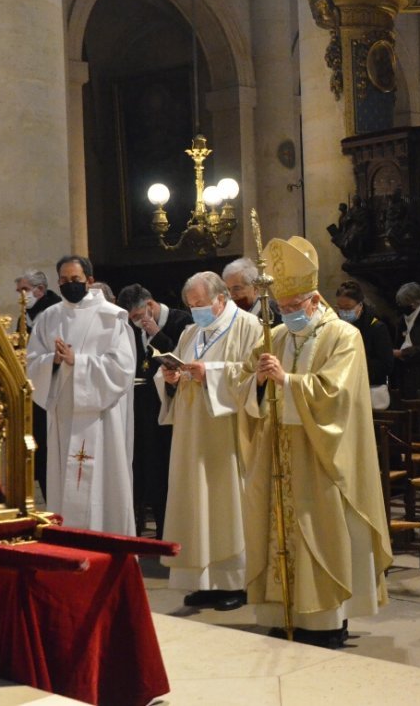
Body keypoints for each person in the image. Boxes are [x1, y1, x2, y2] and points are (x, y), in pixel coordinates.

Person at [233, 236, 392, 648]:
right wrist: (259, 381)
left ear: (314, 299)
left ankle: (325, 619)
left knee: (320, 532)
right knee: (277, 531)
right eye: (281, 309)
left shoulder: (343, 336)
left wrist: (287, 382)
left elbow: (337, 395)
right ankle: (281, 608)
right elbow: (244, 383)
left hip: (322, 452)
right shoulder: (279, 336)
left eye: (293, 307)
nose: (287, 315)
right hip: (279, 449)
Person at [155, 272, 262, 612]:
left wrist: (210, 373)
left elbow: (252, 375)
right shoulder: (190, 331)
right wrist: (170, 377)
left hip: (225, 434)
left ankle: (234, 583)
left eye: (200, 304)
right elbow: (175, 373)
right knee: (193, 504)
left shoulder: (249, 327)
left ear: (220, 298)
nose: (195, 311)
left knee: (224, 504)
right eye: (190, 305)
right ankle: (201, 582)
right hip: (190, 434)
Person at [26, 255, 135, 535]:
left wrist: (79, 361)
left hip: (100, 417)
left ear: (89, 280)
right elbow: (32, 363)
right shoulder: (48, 318)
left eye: (75, 280)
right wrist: (54, 360)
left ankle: (109, 542)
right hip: (64, 413)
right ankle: (68, 543)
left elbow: (122, 368)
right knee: (66, 481)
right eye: (63, 280)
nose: (69, 284)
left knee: (103, 484)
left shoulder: (112, 317)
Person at [117, 283, 192, 538]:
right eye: (132, 319)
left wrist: (156, 333)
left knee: (169, 470)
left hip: (172, 408)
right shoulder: (132, 329)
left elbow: (183, 358)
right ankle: (158, 531)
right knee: (150, 471)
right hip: (144, 409)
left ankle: (174, 532)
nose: (136, 322)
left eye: (138, 316)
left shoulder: (182, 321)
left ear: (150, 306)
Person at [15, 269, 62, 498]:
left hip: (53, 389)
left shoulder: (56, 312)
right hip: (32, 390)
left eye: (24, 290)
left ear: (40, 290)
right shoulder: (24, 316)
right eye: (19, 291)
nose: (21, 295)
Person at [334, 280, 394, 409]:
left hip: (370, 389)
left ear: (360, 305)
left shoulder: (377, 327)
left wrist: (355, 365)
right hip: (342, 391)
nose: (343, 312)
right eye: (340, 307)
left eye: (348, 307)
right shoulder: (336, 327)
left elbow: (386, 365)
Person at [222, 257, 279, 325]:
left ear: (255, 288)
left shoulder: (271, 312)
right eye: (228, 289)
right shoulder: (230, 313)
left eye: (237, 288)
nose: (231, 295)